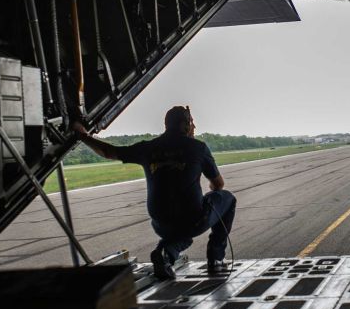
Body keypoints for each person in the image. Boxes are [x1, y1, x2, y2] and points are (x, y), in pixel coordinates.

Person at [71, 106, 236, 279]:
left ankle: (165, 253)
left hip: (160, 223)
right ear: (186, 125)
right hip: (191, 220)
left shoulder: (148, 148)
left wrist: (82, 135)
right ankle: (216, 258)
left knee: (181, 233)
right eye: (191, 123)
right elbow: (218, 185)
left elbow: (108, 151)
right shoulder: (198, 147)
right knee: (228, 199)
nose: (193, 127)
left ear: (166, 125)